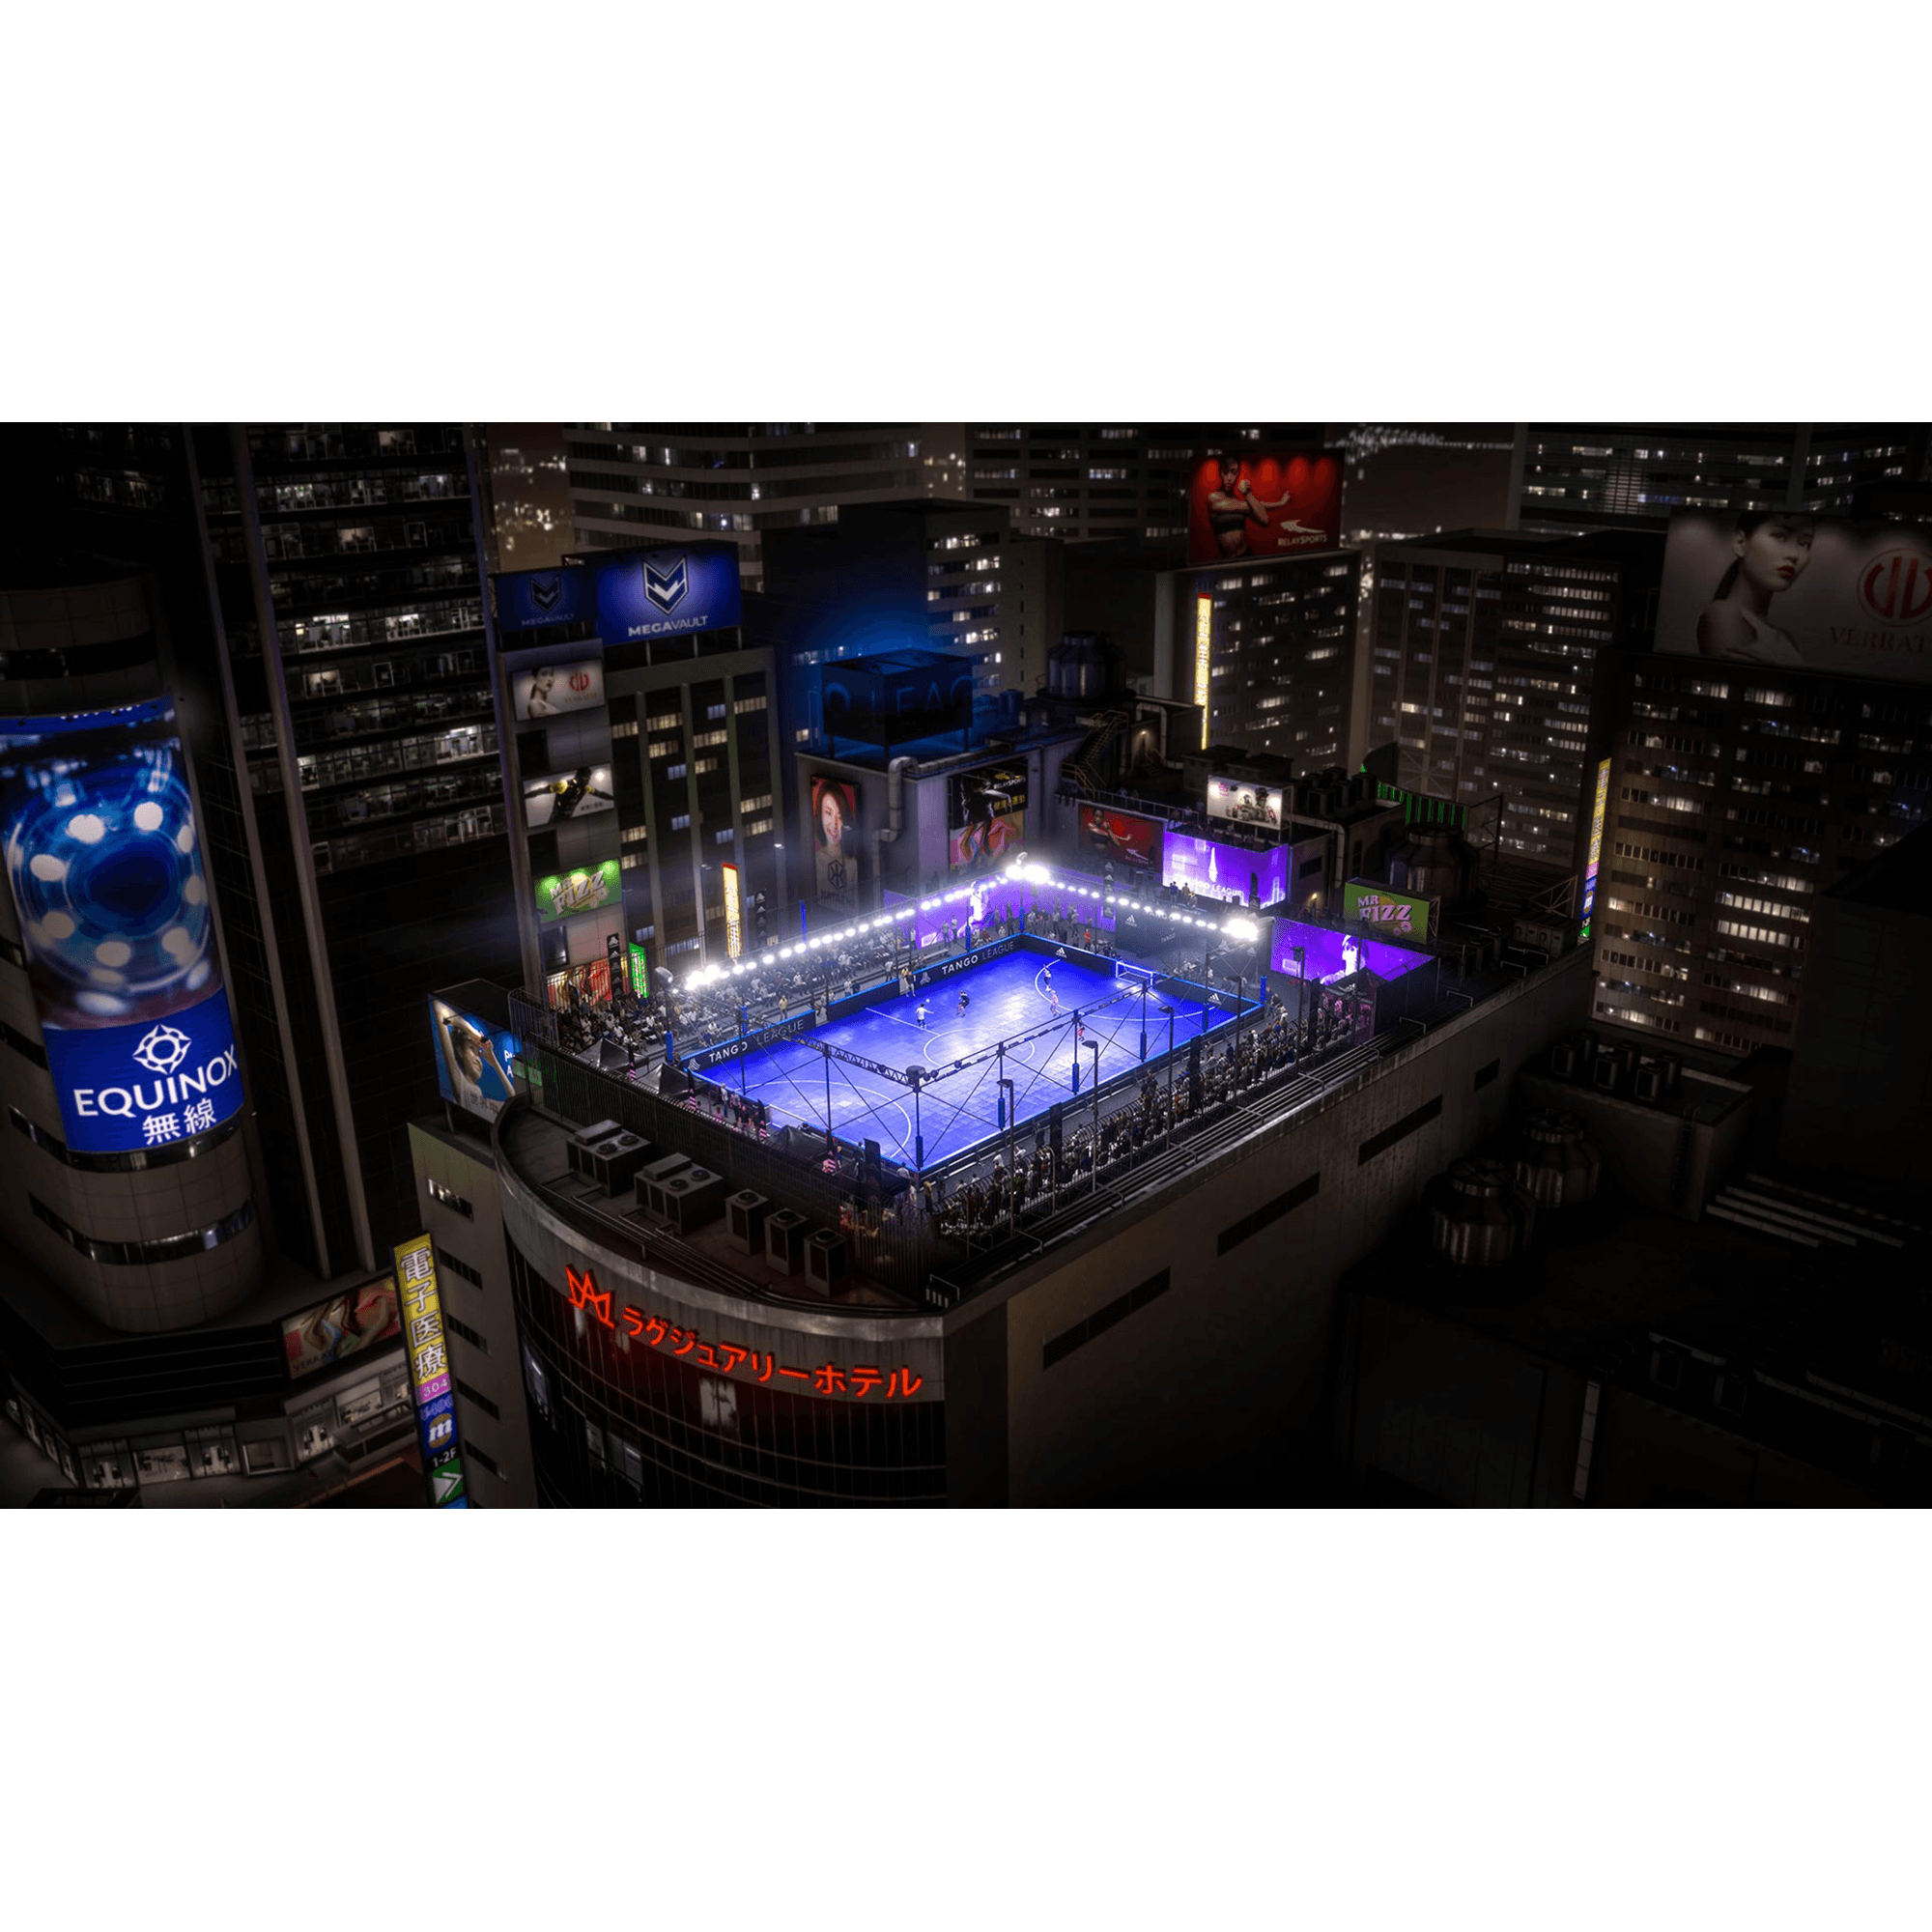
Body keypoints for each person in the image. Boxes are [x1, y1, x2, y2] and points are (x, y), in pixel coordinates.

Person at [1698, 513, 1816, 664]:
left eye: (1805, 544)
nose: (1794, 555)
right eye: (1780, 536)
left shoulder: (1785, 637)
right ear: (1740, 542)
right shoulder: (1723, 614)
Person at [1207, 458, 1296, 560]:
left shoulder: (1238, 501)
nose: (1229, 478)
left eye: (1234, 472)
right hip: (1226, 559)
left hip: (1245, 554)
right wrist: (1249, 496)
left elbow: (1265, 520)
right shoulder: (1213, 498)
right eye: (1225, 472)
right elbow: (1247, 505)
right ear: (1220, 472)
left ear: (1238, 474)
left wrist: (1279, 503)